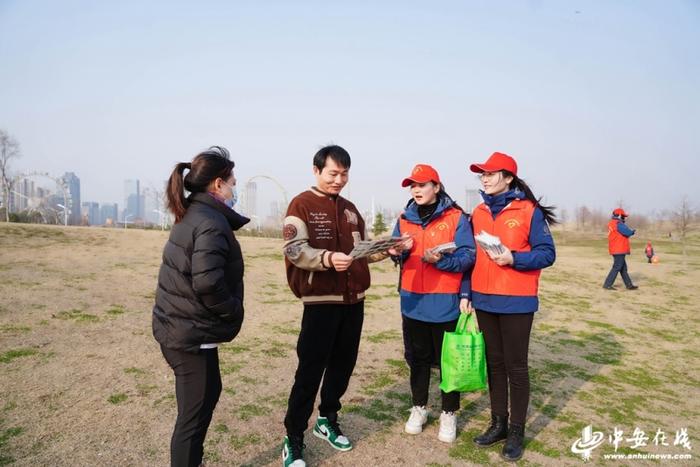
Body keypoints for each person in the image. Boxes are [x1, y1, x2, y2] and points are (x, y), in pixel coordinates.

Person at [281, 145, 389, 467]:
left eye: (344, 174)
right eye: (332, 173)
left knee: (343, 363)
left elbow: (361, 251)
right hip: (321, 302)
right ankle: (293, 436)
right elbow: (294, 249)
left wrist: (386, 249)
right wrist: (327, 259)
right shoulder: (301, 204)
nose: (339, 180)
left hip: (354, 300)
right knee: (310, 370)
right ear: (316, 171)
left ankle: (327, 419)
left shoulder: (352, 210)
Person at [152, 146, 248, 467]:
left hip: (186, 328)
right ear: (218, 185)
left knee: (208, 394)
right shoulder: (209, 222)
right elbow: (207, 283)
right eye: (232, 182)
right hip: (190, 334)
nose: (235, 189)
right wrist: (233, 309)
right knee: (192, 419)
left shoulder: (194, 213)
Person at [465, 152, 556, 462]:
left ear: (508, 177)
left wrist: (514, 258)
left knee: (516, 367)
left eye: (491, 173)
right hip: (484, 299)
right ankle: (498, 423)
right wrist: (467, 293)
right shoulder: (476, 212)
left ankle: (517, 430)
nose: (485, 179)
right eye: (482, 175)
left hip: (517, 300)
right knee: (495, 364)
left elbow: (547, 254)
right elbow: (470, 258)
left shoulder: (529, 211)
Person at [387, 164, 476, 443]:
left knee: (448, 362)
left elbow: (468, 257)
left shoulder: (457, 217)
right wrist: (393, 251)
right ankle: (419, 408)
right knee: (418, 360)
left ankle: (449, 413)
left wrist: (443, 261)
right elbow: (394, 251)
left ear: (436, 187)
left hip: (445, 302)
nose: (416, 189)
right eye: (412, 185)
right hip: (412, 301)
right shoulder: (404, 218)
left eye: (422, 184)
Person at [603, 208, 638, 290]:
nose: (624, 218)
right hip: (619, 249)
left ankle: (629, 285)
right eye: (623, 216)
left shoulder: (612, 223)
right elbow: (628, 232)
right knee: (617, 267)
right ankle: (607, 284)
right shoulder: (618, 223)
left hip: (615, 249)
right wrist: (632, 231)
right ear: (619, 216)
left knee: (623, 268)